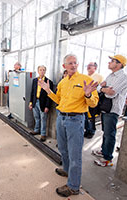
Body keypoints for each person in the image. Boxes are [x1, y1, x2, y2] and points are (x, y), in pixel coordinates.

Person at [39, 54, 99, 197]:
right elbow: (58, 100)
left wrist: (88, 95)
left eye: (75, 63)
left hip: (75, 120)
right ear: (64, 66)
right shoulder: (62, 82)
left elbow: (94, 103)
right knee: (63, 148)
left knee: (74, 154)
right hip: (61, 118)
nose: (73, 65)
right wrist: (48, 90)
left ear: (78, 65)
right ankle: (66, 169)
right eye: (70, 63)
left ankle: (73, 186)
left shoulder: (86, 80)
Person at [92, 55, 127, 167]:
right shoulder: (111, 75)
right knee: (105, 132)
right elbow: (100, 87)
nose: (109, 62)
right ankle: (104, 151)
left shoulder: (123, 77)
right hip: (105, 108)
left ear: (119, 64)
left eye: (112, 61)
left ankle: (107, 158)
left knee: (110, 134)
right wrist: (103, 88)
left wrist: (102, 89)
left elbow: (111, 93)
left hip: (113, 109)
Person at [29, 65, 53, 142]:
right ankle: (36, 130)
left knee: (43, 119)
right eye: (40, 70)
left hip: (43, 103)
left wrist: (47, 106)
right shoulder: (35, 80)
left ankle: (43, 134)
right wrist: (31, 102)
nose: (42, 71)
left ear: (45, 71)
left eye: (43, 70)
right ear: (38, 71)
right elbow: (32, 92)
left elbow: (50, 96)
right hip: (35, 101)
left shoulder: (49, 82)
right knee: (36, 117)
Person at [84, 62, 104, 139]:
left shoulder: (99, 77)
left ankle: (92, 131)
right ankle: (87, 130)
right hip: (85, 100)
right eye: (88, 65)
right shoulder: (85, 76)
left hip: (93, 99)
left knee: (91, 117)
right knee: (86, 116)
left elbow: (100, 89)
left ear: (95, 68)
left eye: (90, 66)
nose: (88, 67)